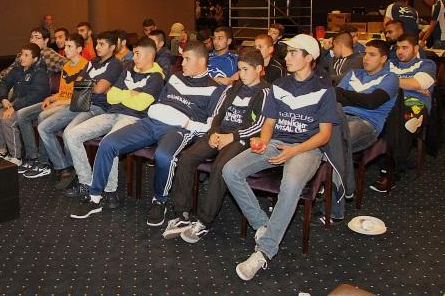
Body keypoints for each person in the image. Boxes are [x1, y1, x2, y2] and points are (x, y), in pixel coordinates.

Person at [222, 34, 338, 281]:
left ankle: (264, 251)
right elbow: (270, 123)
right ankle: (263, 225)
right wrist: (263, 141)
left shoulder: (324, 91)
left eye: (294, 53)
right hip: (276, 143)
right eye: (287, 53)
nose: (287, 57)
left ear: (310, 58)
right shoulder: (279, 85)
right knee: (230, 170)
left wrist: (294, 151)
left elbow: (325, 135)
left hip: (307, 148)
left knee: (292, 183)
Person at [69, 40, 224, 226]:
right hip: (152, 122)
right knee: (108, 143)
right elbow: (158, 102)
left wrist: (185, 122)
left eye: (186, 59)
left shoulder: (215, 88)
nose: (181, 63)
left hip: (179, 129)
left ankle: (160, 201)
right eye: (182, 59)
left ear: (201, 61)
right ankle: (95, 197)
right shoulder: (175, 77)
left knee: (164, 156)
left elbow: (211, 126)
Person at [164, 49, 270, 243]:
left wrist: (232, 136)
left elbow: (258, 126)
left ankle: (205, 221)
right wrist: (214, 133)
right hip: (220, 133)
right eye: (239, 69)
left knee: (220, 168)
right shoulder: (233, 87)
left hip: (241, 139)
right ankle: (182, 215)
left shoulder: (265, 92)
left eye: (246, 70)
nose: (241, 74)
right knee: (187, 158)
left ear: (259, 70)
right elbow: (218, 113)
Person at [62, 37, 165, 208]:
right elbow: (110, 96)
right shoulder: (128, 69)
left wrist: (123, 94)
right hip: (112, 113)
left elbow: (141, 104)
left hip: (135, 119)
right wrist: (131, 94)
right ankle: (86, 182)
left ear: (150, 56)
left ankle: (111, 192)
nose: (133, 58)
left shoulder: (156, 78)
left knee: (110, 141)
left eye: (138, 54)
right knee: (72, 135)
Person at [35, 31, 123, 184]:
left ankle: (81, 175)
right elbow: (79, 82)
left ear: (112, 47)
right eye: (97, 43)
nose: (97, 47)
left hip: (97, 107)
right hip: (80, 101)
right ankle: (64, 167)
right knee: (43, 127)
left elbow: (100, 89)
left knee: (70, 132)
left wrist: (89, 83)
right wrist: (92, 83)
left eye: (102, 44)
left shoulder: (115, 64)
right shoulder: (92, 61)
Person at [328, 39, 398, 223]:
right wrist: (357, 98)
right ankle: (342, 186)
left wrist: (348, 97)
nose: (365, 58)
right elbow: (335, 96)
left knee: (333, 142)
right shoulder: (353, 73)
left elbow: (372, 102)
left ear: (383, 58)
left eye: (372, 55)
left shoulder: (390, 78)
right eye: (365, 53)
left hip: (367, 123)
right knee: (323, 137)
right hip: (341, 118)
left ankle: (337, 202)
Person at [0, 27, 65, 151]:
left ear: (46, 41)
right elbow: (8, 71)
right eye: (31, 37)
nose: (33, 40)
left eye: (37, 38)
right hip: (10, 81)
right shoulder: (23, 54)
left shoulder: (47, 53)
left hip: (18, 88)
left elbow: (69, 63)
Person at [373, 33, 436, 192]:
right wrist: (410, 85)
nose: (400, 51)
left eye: (405, 48)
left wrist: (390, 81)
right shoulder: (390, 63)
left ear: (415, 48)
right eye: (397, 48)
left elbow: (417, 83)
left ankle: (392, 169)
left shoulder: (427, 64)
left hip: (415, 107)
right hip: (390, 103)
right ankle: (383, 159)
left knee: (399, 119)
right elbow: (372, 80)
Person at [20, 33, 88, 179]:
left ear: (79, 49)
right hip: (62, 102)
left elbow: (79, 98)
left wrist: (58, 102)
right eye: (66, 46)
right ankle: (49, 161)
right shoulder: (67, 65)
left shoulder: (86, 66)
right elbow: (63, 91)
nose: (66, 48)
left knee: (43, 117)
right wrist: (51, 98)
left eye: (70, 46)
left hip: (71, 105)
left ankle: (45, 162)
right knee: (42, 114)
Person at [0, 43, 49, 165]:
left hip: (33, 107)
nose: (22, 57)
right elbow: (4, 82)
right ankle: (2, 150)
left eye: (26, 55)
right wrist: (3, 98)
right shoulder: (18, 69)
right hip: (16, 104)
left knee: (8, 121)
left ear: (35, 59)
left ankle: (16, 156)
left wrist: (15, 106)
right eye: (22, 54)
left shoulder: (40, 73)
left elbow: (37, 95)